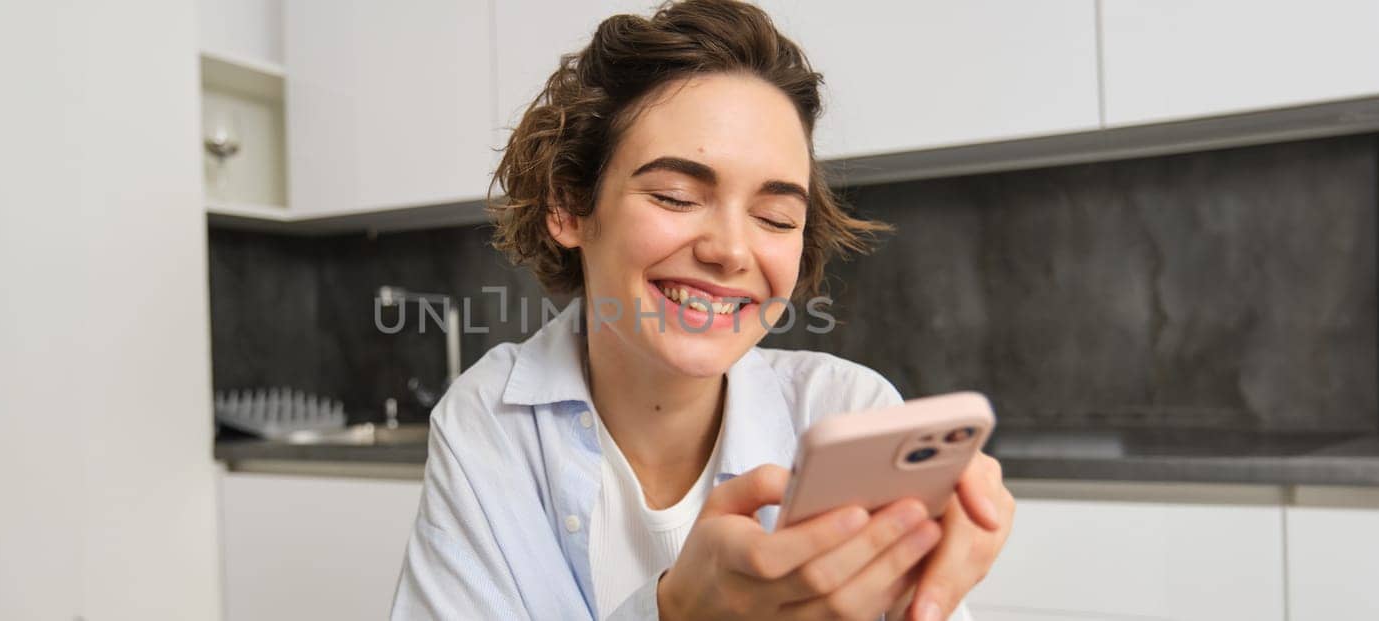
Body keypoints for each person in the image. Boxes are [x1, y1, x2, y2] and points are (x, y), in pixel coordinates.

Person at [391, 1, 1014, 619]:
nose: (731, 251)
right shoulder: (488, 423)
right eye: (676, 196)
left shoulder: (849, 412)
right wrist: (674, 612)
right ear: (570, 206)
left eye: (776, 218)